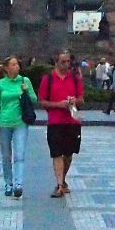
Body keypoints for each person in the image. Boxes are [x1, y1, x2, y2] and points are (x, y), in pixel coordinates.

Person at [38, 50, 84, 197]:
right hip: (55, 121)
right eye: (63, 62)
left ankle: (62, 180)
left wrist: (73, 101)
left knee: (68, 153)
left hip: (72, 120)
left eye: (68, 61)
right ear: (56, 62)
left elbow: (81, 99)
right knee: (56, 153)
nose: (66, 64)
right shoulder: (48, 79)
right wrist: (58, 104)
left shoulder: (75, 78)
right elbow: (42, 101)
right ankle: (59, 184)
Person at [0, 57, 36, 198]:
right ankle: (8, 182)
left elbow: (34, 99)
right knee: (6, 156)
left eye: (18, 64)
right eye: (14, 65)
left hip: (20, 123)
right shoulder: (0, 84)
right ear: (6, 68)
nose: (17, 67)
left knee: (19, 154)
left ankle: (18, 184)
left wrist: (26, 91)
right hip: (4, 123)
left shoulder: (24, 81)